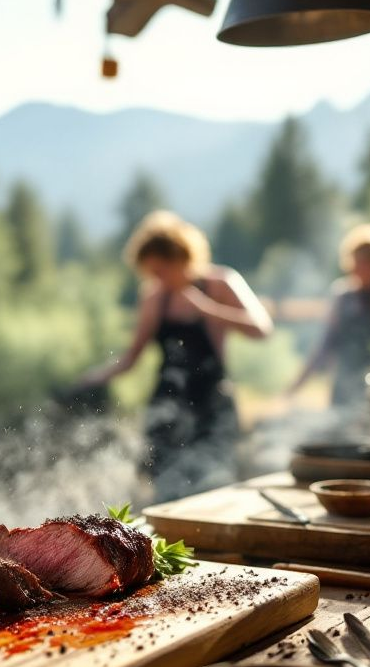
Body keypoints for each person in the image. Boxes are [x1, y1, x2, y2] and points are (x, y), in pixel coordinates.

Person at [73, 211, 272, 501]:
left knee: (216, 485)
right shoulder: (155, 297)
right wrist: (92, 378)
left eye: (161, 270)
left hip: (212, 402)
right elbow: (132, 357)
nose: (157, 279)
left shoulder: (221, 283)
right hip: (167, 404)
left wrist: (206, 309)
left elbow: (262, 329)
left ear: (182, 258)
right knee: (164, 488)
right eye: (151, 273)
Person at [288, 223, 370, 406]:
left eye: (364, 263)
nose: (357, 269)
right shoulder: (344, 298)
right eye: (355, 263)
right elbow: (325, 345)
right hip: (344, 390)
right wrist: (295, 387)